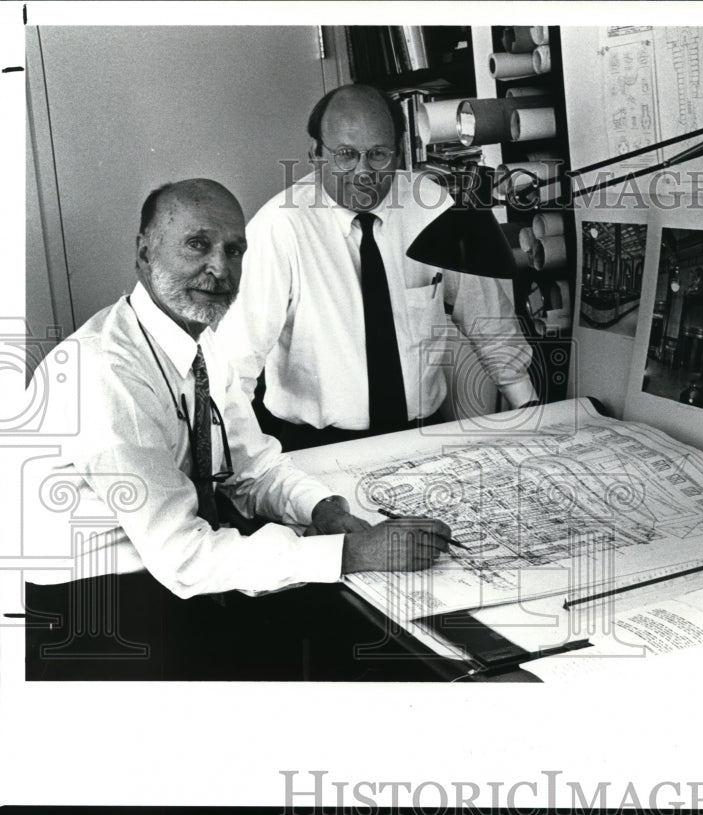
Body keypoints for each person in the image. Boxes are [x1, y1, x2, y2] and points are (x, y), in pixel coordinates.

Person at [25, 179, 454, 680]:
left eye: (234, 250)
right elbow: (183, 557)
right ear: (144, 253)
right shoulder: (104, 370)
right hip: (94, 603)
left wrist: (326, 511)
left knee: (343, 634)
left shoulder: (200, 346)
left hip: (166, 568)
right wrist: (354, 553)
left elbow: (254, 468)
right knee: (334, 657)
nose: (219, 268)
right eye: (198, 245)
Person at [215, 84, 538, 451]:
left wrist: (527, 407)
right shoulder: (278, 228)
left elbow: (487, 318)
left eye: (378, 154)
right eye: (346, 155)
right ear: (315, 154)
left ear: (399, 153)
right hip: (316, 446)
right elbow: (233, 366)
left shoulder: (432, 206)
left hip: (422, 435)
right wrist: (242, 467)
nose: (364, 171)